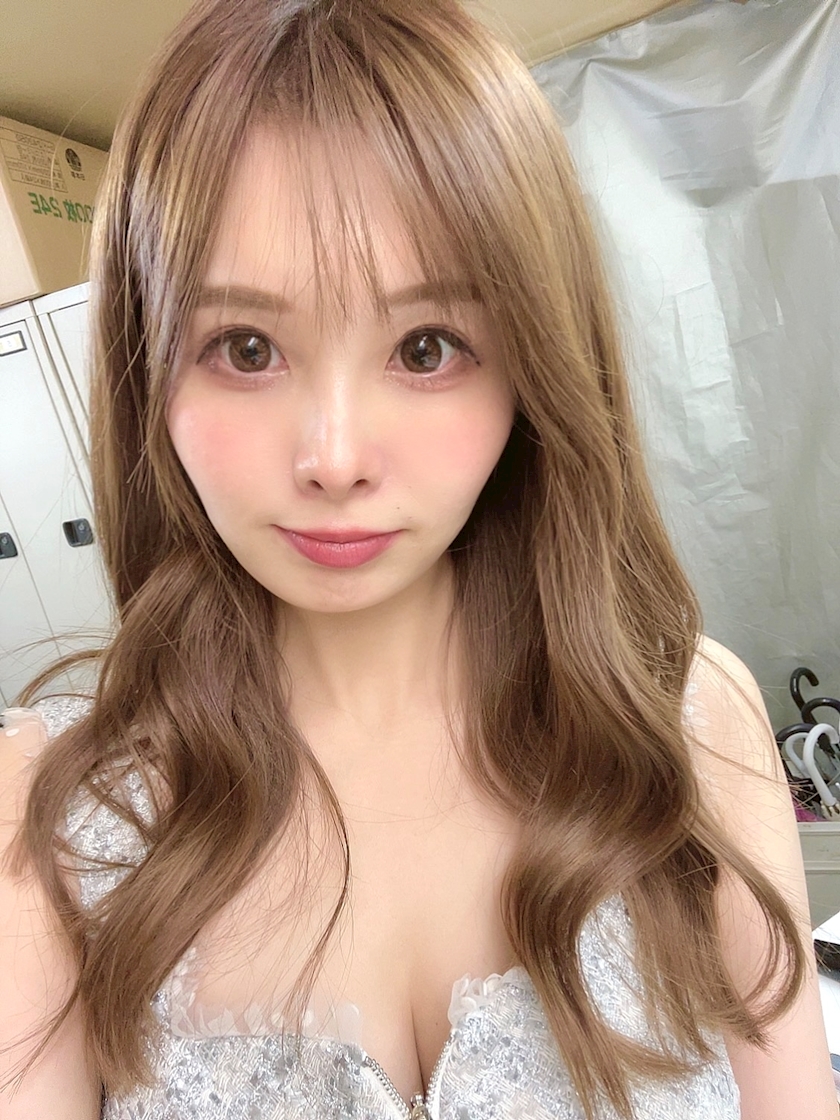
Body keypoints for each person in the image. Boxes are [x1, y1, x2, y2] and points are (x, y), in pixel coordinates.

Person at [0, 0, 835, 1116]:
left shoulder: (687, 722)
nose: (335, 457)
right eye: (244, 347)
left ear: (533, 364)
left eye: (426, 347)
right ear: (146, 368)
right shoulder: (55, 819)